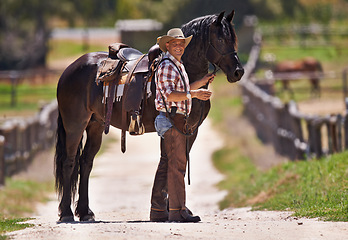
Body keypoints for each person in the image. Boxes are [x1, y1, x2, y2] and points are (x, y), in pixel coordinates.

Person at [150, 28, 215, 222]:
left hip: (174, 119)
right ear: (167, 46)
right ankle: (178, 211)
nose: (179, 47)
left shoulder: (176, 65)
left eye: (181, 44)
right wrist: (194, 95)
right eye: (175, 44)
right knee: (177, 166)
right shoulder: (168, 66)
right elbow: (170, 95)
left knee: (170, 164)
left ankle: (159, 211)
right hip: (172, 119)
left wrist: (200, 83)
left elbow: (181, 89)